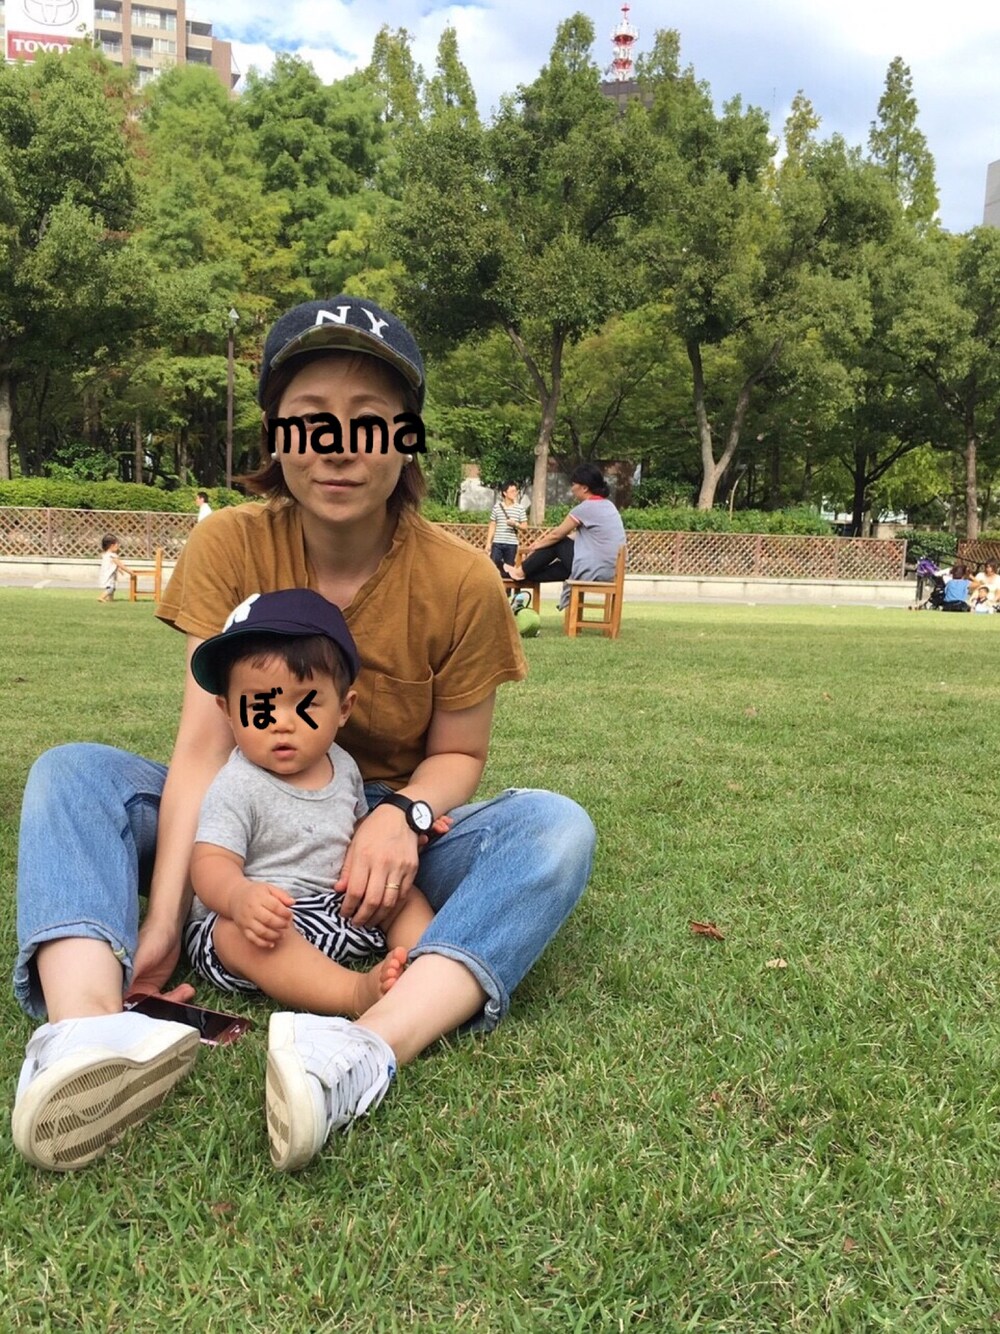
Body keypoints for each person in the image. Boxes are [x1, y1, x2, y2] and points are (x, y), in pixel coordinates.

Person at [12, 294, 595, 1174]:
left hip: (373, 832)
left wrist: (401, 819)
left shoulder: (462, 582)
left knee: (555, 829)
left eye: (369, 421)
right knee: (72, 775)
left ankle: (365, 1047)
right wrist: (166, 919)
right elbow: (205, 745)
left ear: (406, 439)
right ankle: (91, 1034)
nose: (337, 446)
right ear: (277, 435)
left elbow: (459, 754)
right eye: (311, 419)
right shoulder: (229, 545)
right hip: (241, 811)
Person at [186, 588, 436, 1019]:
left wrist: (408, 832)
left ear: (344, 708)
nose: (282, 723)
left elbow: (358, 836)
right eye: (260, 706)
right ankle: (352, 993)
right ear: (227, 710)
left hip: (332, 910)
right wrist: (239, 897)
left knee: (402, 896)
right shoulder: (237, 783)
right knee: (236, 936)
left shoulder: (344, 766)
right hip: (260, 919)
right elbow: (209, 863)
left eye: (305, 705)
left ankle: (429, 968)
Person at [504, 463, 625, 609]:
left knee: (558, 543)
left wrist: (537, 545)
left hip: (594, 568)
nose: (572, 488)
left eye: (574, 484)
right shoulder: (609, 506)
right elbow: (578, 536)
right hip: (610, 570)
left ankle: (519, 572)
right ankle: (521, 575)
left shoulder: (586, 508)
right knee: (562, 569)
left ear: (584, 488)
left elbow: (557, 535)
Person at [485, 482, 527, 578]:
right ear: (505, 493)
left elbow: (525, 527)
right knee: (493, 567)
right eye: (512, 491)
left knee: (509, 569)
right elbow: (492, 524)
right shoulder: (497, 507)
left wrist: (515, 524)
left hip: (511, 543)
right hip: (497, 542)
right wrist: (488, 543)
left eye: (516, 491)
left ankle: (506, 587)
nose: (515, 493)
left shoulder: (520, 508)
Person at [97, 534, 135, 604]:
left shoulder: (106, 555)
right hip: (109, 575)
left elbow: (115, 565)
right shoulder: (112, 556)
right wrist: (130, 572)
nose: (118, 546)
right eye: (117, 545)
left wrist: (119, 569)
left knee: (112, 587)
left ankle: (110, 599)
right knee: (111, 588)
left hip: (106, 574)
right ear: (112, 546)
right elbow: (120, 564)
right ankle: (101, 597)